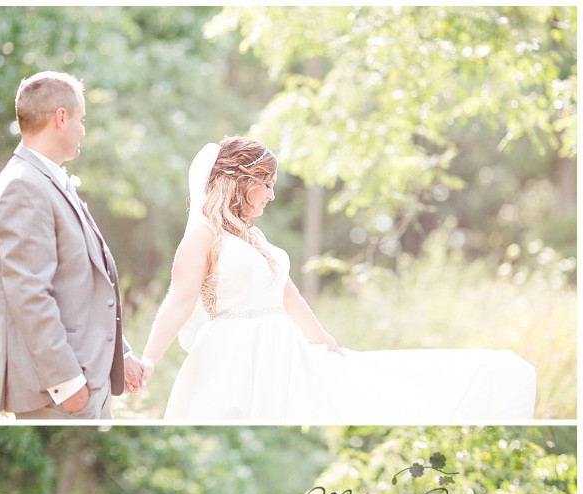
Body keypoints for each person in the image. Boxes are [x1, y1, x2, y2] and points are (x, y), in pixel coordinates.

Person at [140, 136, 536, 423]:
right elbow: (180, 300)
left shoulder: (252, 237)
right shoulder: (203, 235)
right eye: (267, 184)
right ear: (242, 180)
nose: (271, 196)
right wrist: (149, 361)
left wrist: (321, 339)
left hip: (283, 351)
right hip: (235, 356)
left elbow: (288, 293)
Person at [0, 71, 143, 419]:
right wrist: (67, 384)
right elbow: (29, 294)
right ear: (61, 117)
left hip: (88, 380)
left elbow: (79, 283)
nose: (83, 130)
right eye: (81, 119)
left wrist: (122, 354)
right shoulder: (23, 187)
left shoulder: (48, 180)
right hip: (59, 396)